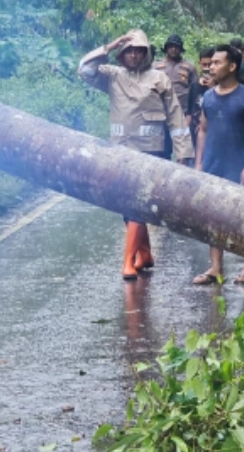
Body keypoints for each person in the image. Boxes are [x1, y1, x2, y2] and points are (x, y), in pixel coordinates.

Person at [78, 29, 193, 280]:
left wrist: (184, 152)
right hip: (121, 150)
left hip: (153, 151)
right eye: (128, 50)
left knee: (136, 204)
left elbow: (175, 115)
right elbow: (84, 69)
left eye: (138, 50)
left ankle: (128, 262)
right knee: (127, 205)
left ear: (146, 53)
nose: (133, 55)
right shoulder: (112, 76)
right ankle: (145, 253)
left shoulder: (159, 78)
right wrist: (110, 45)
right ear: (122, 53)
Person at [193, 44, 244, 286]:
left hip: (238, 166)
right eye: (210, 63)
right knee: (212, 218)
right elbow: (203, 130)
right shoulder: (209, 98)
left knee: (243, 218)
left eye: (216, 63)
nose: (211, 66)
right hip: (213, 165)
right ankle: (215, 267)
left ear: (232, 66)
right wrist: (199, 162)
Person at [155, 34, 199, 165]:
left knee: (184, 151)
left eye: (176, 47)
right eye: (171, 47)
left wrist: (190, 114)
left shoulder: (189, 67)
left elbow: (194, 91)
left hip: (182, 114)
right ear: (166, 48)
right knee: (162, 148)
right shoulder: (156, 66)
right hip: (160, 112)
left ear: (181, 49)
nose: (173, 50)